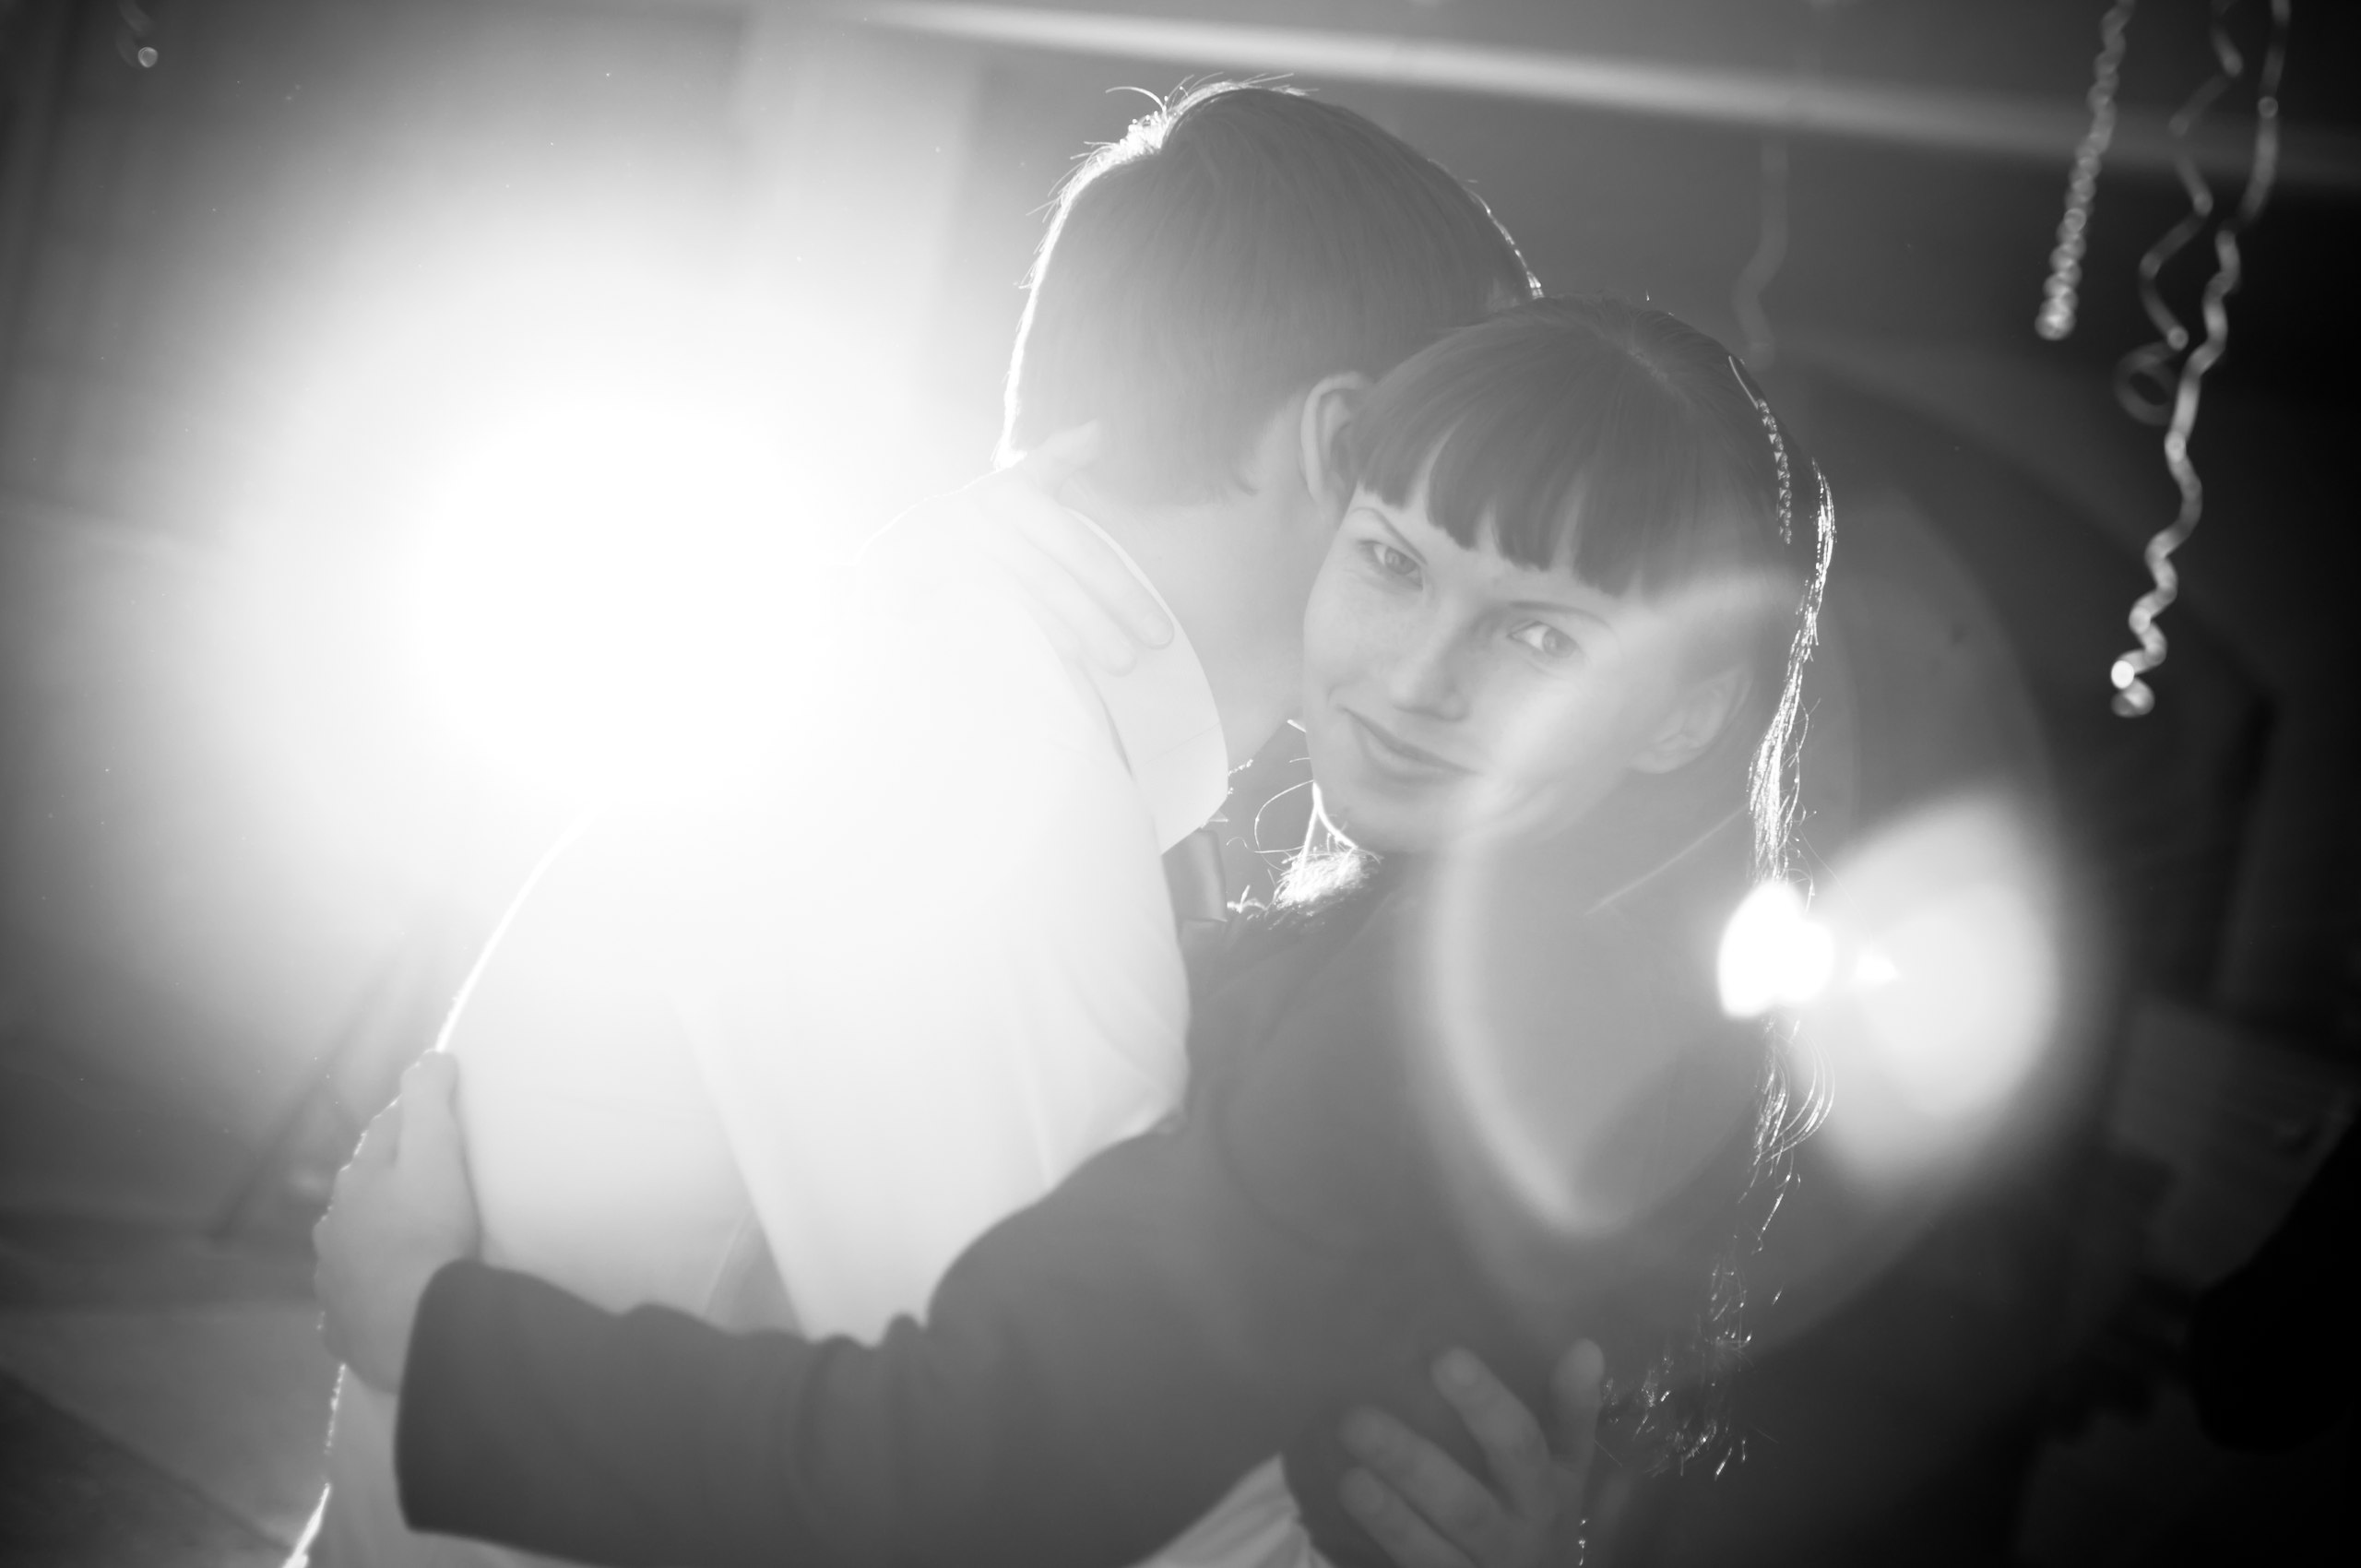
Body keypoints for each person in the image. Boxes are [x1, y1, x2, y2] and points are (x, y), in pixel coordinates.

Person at [315, 295, 1835, 1568]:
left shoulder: (1482, 1000)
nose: (1419, 677)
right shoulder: (1503, 963)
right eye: (1393, 561)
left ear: (1685, 712)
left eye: (1540, 635)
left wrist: (436, 1338)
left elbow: (965, 1479)